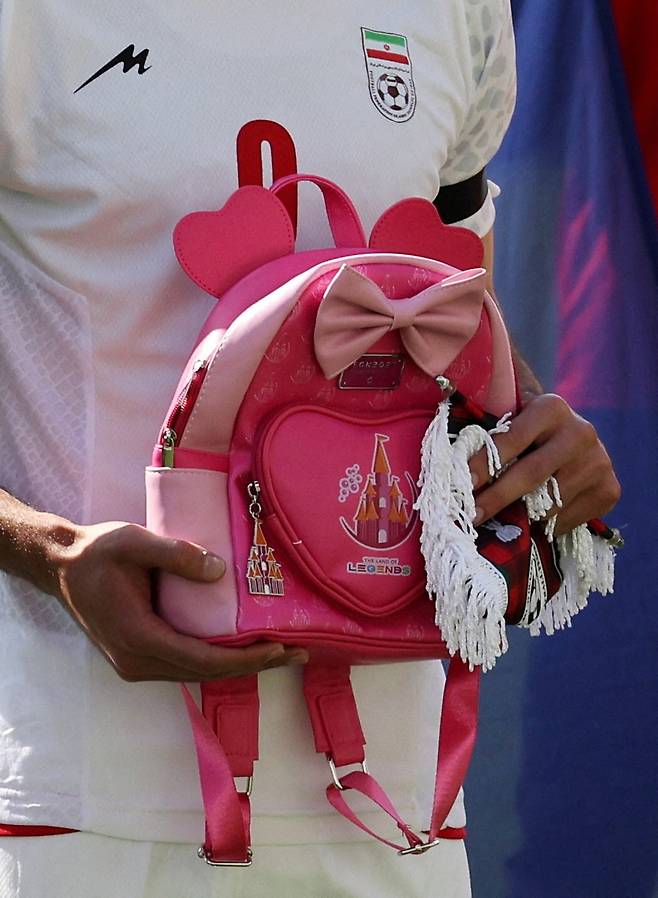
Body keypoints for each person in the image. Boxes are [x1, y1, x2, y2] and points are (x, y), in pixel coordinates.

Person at [0, 1, 619, 895]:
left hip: (397, 804)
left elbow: (454, 317)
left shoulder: (460, 14)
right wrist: (47, 552)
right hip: (84, 795)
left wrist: (533, 430)